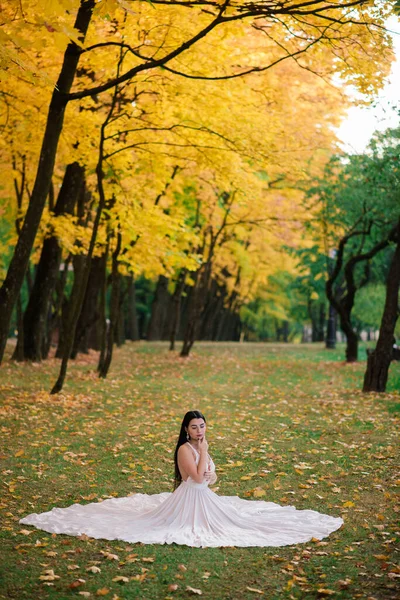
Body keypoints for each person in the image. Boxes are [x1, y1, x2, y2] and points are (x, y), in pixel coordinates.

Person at [20, 410, 343, 547]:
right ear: (186, 430)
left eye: (202, 426)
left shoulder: (201, 445)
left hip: (205, 495)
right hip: (190, 498)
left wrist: (211, 466)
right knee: (188, 528)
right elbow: (198, 479)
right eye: (194, 427)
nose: (199, 431)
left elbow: (212, 479)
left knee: (244, 520)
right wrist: (204, 454)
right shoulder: (185, 450)